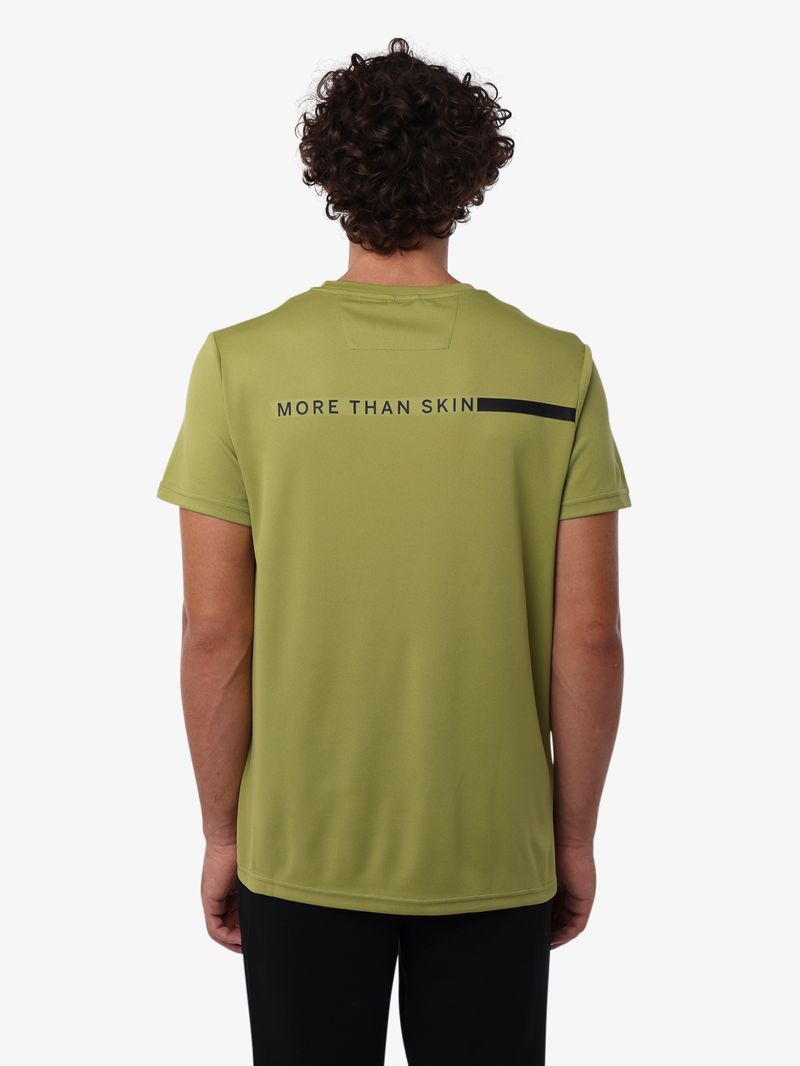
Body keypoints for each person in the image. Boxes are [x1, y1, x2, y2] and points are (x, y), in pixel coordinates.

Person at [157, 37, 631, 1066]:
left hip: (300, 845)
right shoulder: (554, 370)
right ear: (470, 177)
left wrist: (223, 834)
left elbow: (212, 632)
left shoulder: (241, 365)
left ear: (329, 175)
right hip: (493, 847)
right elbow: (589, 636)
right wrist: (572, 838)